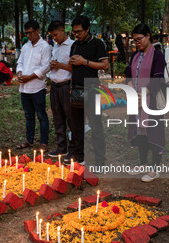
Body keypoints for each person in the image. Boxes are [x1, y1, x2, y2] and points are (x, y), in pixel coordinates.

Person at [124, 24, 166, 182]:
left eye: (140, 39)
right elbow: (128, 72)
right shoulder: (136, 55)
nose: (137, 43)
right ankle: (142, 164)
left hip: (151, 100)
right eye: (135, 40)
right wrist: (129, 87)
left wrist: (143, 94)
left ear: (148, 36)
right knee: (139, 131)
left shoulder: (157, 56)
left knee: (153, 132)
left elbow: (158, 78)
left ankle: (154, 170)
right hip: (136, 100)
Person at [66, 15, 109, 166]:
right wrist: (70, 63)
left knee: (96, 126)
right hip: (76, 89)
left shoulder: (97, 43)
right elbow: (72, 66)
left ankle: (100, 161)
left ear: (88, 29)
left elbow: (105, 65)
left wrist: (84, 62)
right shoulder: (74, 45)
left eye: (79, 31)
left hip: (92, 88)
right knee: (76, 126)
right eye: (74, 32)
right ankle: (79, 157)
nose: (76, 35)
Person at [16, 20, 51, 152]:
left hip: (37, 87)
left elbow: (46, 66)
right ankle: (29, 140)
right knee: (28, 115)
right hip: (24, 88)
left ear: (37, 31)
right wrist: (19, 73)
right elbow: (19, 62)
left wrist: (29, 77)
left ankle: (43, 142)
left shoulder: (44, 47)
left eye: (30, 33)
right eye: (26, 33)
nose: (28, 36)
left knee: (41, 115)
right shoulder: (26, 46)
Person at [47, 20, 74, 158]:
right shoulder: (55, 47)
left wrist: (60, 65)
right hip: (55, 85)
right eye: (52, 36)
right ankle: (61, 146)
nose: (54, 38)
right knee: (57, 118)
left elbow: (74, 68)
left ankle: (74, 148)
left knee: (71, 118)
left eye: (56, 35)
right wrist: (52, 65)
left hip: (66, 85)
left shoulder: (72, 46)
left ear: (63, 30)